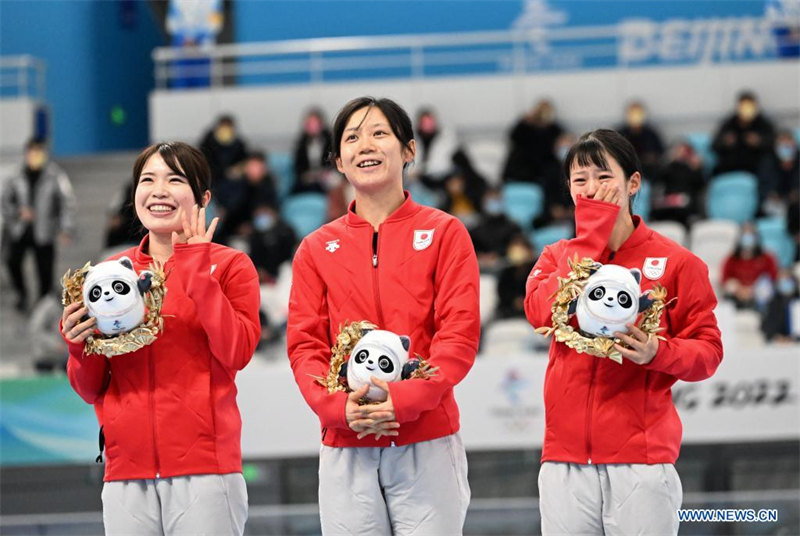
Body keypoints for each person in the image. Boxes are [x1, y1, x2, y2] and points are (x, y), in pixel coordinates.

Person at [287, 97, 479, 535]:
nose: (364, 145)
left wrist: (406, 400)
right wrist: (336, 408)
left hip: (427, 437)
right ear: (338, 160)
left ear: (409, 150)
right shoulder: (315, 249)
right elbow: (305, 345)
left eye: (378, 133)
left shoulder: (446, 233)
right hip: (345, 440)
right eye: (351, 138)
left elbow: (459, 337)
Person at [524, 129, 723, 535]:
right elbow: (539, 312)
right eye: (580, 181)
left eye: (603, 176)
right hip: (564, 462)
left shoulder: (677, 262)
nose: (592, 189)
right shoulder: (557, 256)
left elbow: (708, 352)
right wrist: (588, 242)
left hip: (642, 461)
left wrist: (657, 352)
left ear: (633, 183)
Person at [60, 142, 260, 535]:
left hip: (205, 470)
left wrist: (197, 271)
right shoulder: (106, 276)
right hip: (124, 474)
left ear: (203, 197)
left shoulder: (231, 266)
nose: (159, 190)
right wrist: (78, 346)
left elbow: (235, 352)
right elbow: (90, 388)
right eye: (147, 179)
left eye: (175, 179)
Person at [1, 138, 77, 312]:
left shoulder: (55, 176)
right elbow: (5, 201)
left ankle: (44, 304)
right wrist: (19, 212)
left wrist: (66, 227)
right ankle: (22, 294)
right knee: (13, 262)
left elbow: (66, 203)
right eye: (32, 152)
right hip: (20, 230)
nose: (35, 156)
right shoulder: (15, 175)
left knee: (45, 270)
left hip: (44, 230)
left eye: (39, 152)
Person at [711, 91, 776, 176]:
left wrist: (759, 142)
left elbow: (775, 144)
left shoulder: (763, 124)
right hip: (730, 167)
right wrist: (725, 142)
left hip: (756, 168)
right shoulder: (729, 124)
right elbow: (714, 145)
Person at [502, 98, 564, 184]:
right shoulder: (525, 127)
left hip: (544, 168)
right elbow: (513, 137)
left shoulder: (553, 129)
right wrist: (525, 121)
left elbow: (563, 139)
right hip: (524, 167)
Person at [722, 222, 779, 309]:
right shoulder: (732, 258)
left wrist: (753, 290)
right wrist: (739, 289)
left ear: (757, 238)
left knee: (765, 287)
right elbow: (725, 279)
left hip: (758, 294)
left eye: (751, 235)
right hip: (738, 293)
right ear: (739, 238)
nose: (748, 239)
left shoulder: (767, 257)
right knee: (730, 286)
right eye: (745, 235)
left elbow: (773, 277)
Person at [650, 140, 707, 228]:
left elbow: (701, 185)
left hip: (687, 203)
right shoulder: (670, 167)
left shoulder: (692, 168)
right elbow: (657, 179)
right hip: (670, 202)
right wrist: (670, 162)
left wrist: (697, 168)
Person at [616, 101, 665, 178]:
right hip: (627, 168)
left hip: (648, 170)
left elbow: (661, 152)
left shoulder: (651, 134)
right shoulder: (619, 134)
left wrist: (652, 157)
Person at [292, 108, 334, 194]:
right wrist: (307, 175)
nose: (311, 126)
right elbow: (298, 166)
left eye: (314, 123)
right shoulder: (301, 143)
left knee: (334, 181)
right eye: (309, 124)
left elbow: (332, 158)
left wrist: (325, 171)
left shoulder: (330, 140)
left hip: (326, 174)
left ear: (321, 124)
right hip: (309, 175)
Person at [761, 269, 800, 343]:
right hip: (779, 343)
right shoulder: (773, 302)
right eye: (782, 280)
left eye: (787, 279)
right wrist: (775, 336)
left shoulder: (797, 301)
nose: (785, 282)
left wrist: (793, 337)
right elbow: (767, 325)